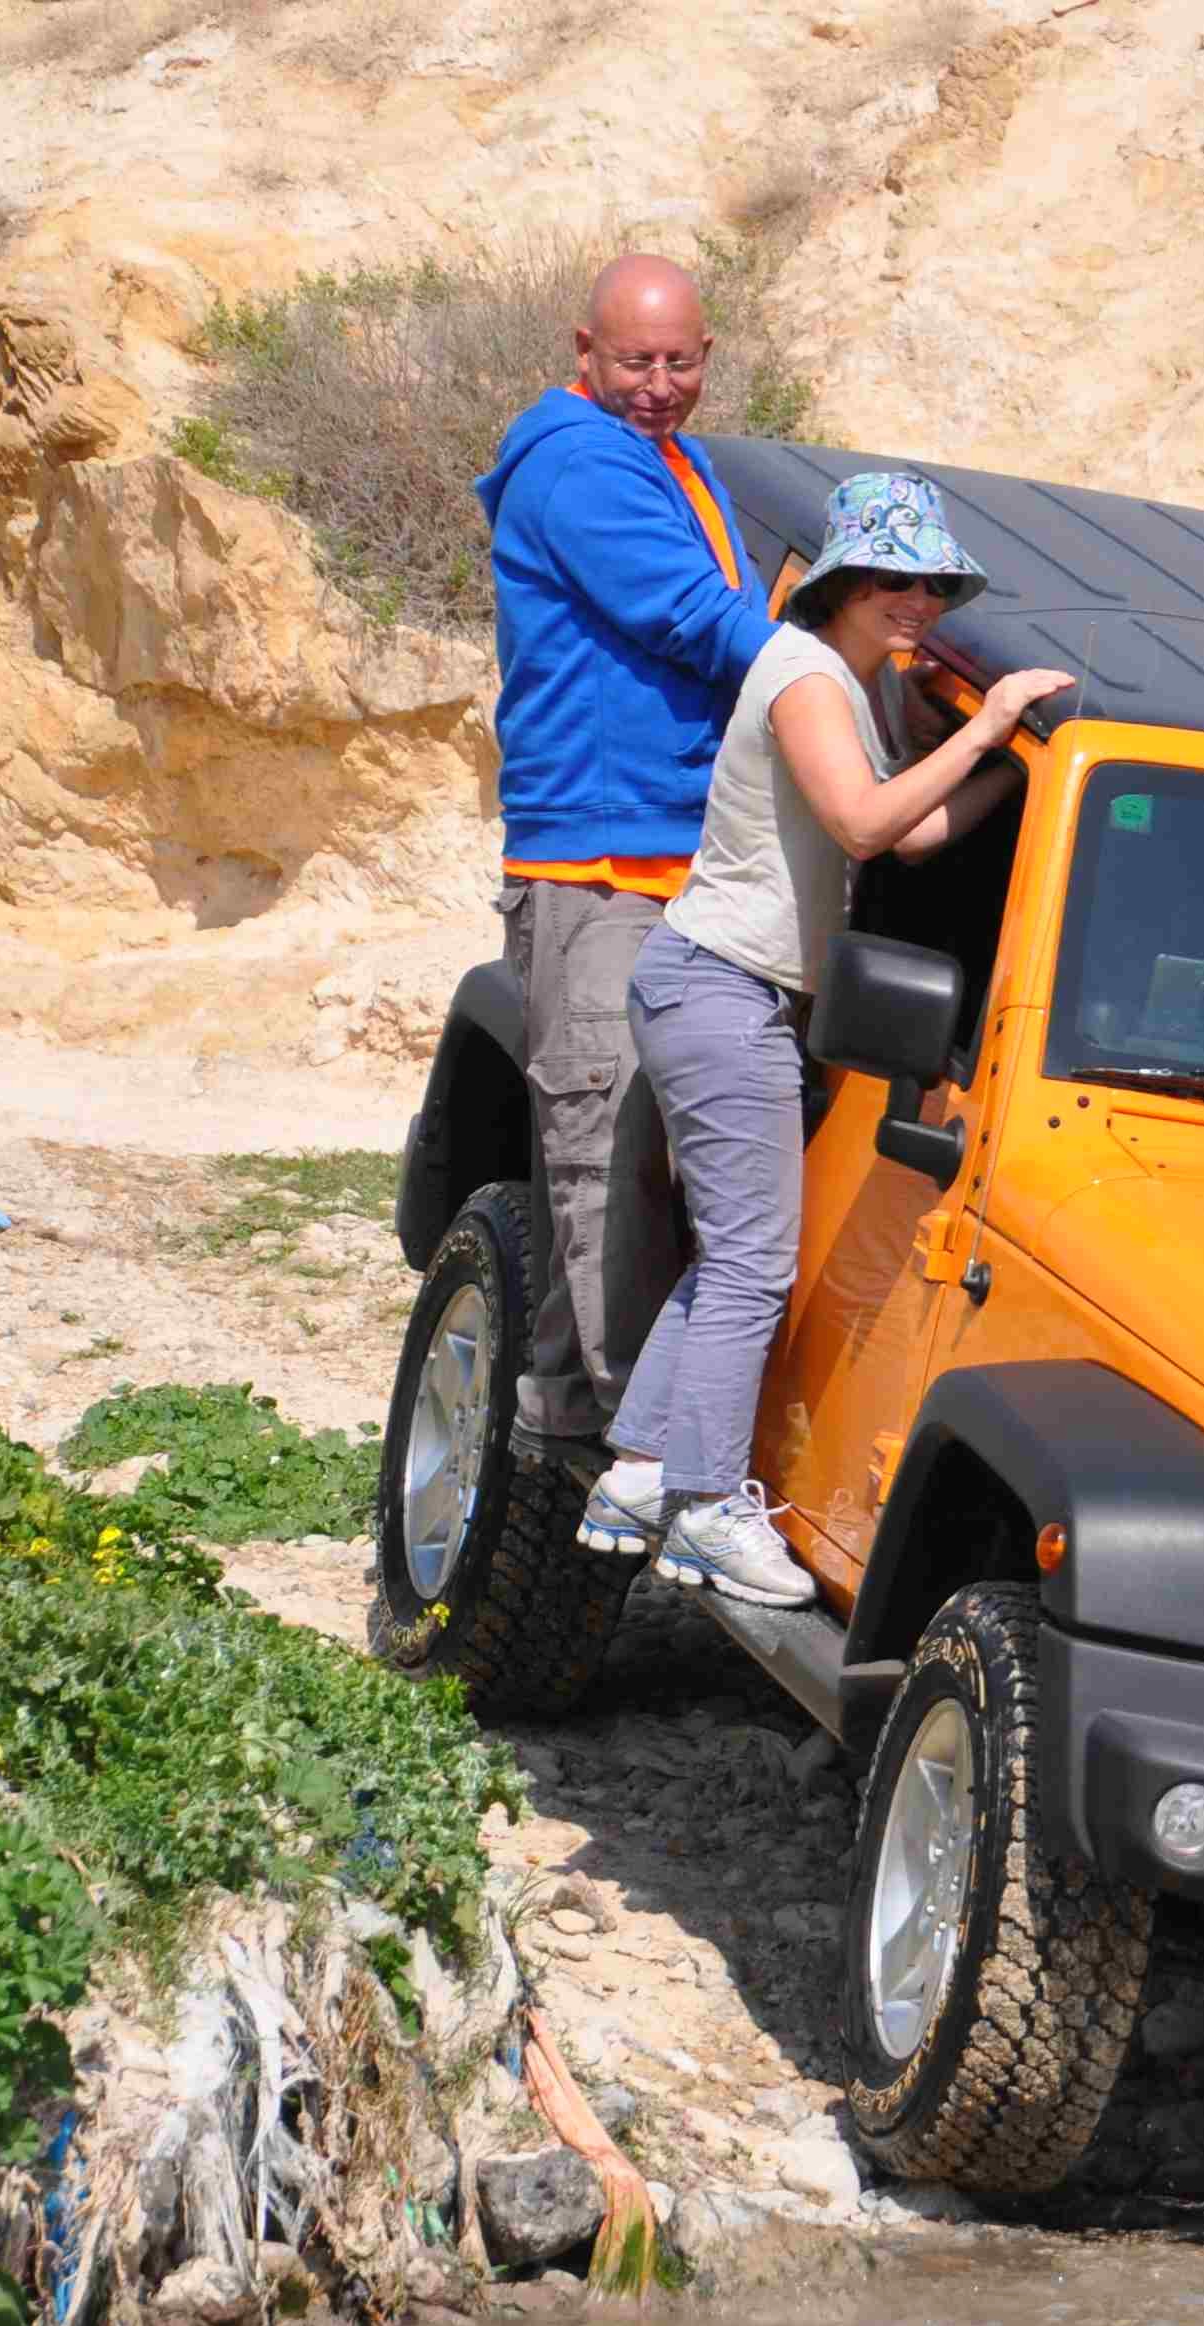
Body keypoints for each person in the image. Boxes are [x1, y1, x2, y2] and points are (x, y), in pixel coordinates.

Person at [585, 469, 1073, 1605]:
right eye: (896, 579)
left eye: (934, 585)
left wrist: (1013, 773)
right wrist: (988, 724)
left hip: (730, 992)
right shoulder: (805, 676)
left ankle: (642, 1472)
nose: (919, 602)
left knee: (735, 1254)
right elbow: (862, 821)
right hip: (723, 988)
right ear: (845, 580)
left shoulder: (853, 682)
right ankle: (706, 1508)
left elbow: (910, 837)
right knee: (756, 1263)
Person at [472, 253, 775, 1469]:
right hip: (604, 869)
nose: (659, 383)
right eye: (636, 360)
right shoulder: (586, 464)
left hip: (666, 860)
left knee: (610, 1164)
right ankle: (649, 1460)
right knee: (608, 1157)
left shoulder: (670, 460)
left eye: (680, 361)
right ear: (583, 350)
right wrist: (829, 682)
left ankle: (562, 1434)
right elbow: (693, 619)